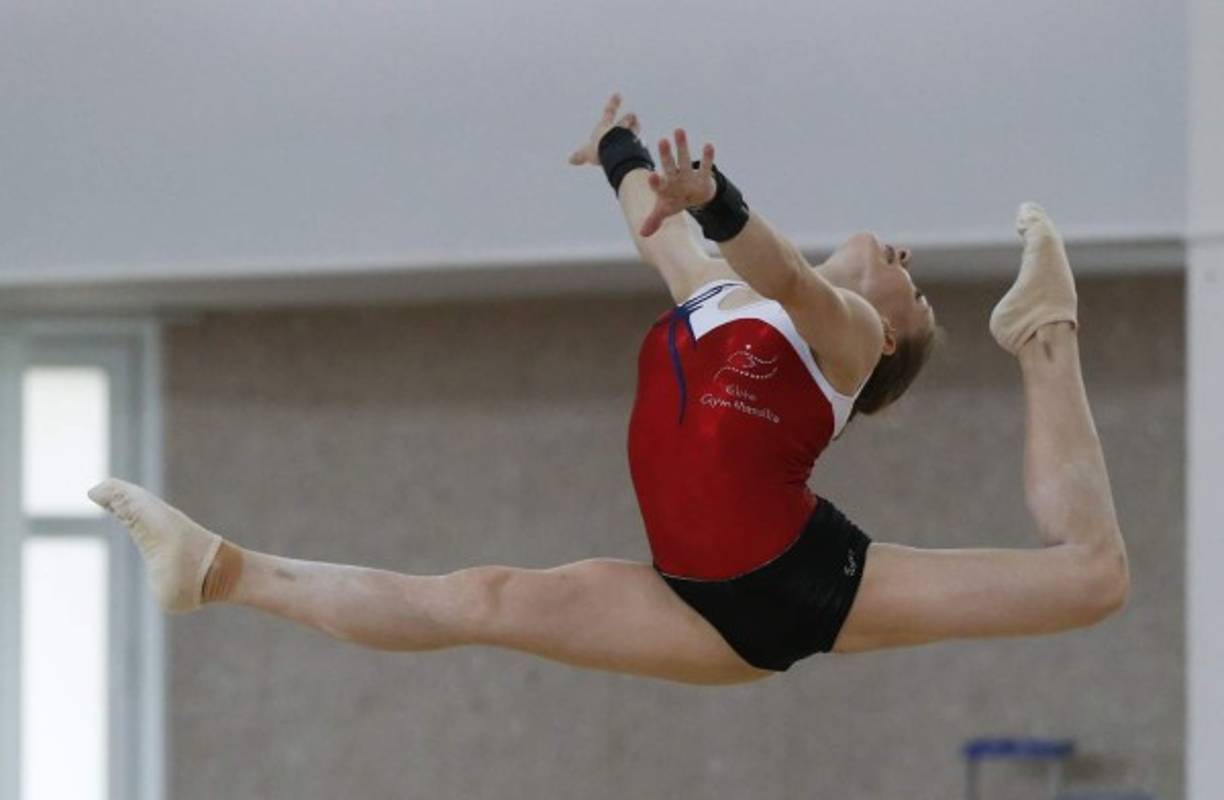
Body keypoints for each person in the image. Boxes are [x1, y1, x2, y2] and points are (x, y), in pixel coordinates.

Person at [88, 94, 1128, 686]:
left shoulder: (847, 343)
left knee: (1093, 579)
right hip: (686, 594)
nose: (906, 262)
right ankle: (217, 570)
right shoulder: (712, 292)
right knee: (480, 598)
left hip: (801, 578)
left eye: (920, 293)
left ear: (893, 329)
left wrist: (721, 202)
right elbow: (656, 224)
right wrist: (622, 152)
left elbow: (789, 276)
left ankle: (1043, 330)